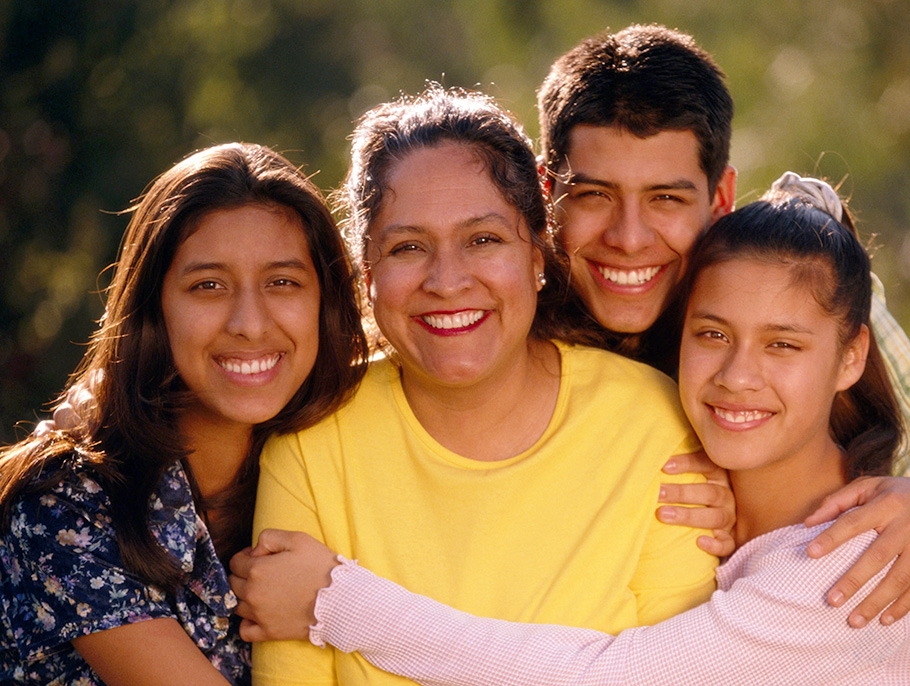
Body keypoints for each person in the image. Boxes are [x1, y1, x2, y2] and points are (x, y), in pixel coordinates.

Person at [245, 174, 910, 686]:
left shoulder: (849, 564)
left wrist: (333, 602)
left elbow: (606, 677)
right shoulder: (740, 528)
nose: (738, 376)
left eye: (783, 345)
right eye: (712, 334)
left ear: (851, 356)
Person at [536, 23, 910, 639]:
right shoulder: (510, 330)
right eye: (595, 195)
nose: (629, 238)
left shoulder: (808, 294)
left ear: (720, 199)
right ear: (548, 193)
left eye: (666, 199)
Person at [245, 86, 718, 686]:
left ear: (539, 255)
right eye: (408, 247)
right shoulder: (311, 447)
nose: (447, 281)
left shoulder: (654, 423)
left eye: (484, 240)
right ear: (367, 274)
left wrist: (343, 607)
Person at [0, 143, 368, 684]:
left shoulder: (339, 459)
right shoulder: (67, 503)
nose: (250, 323)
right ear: (155, 308)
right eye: (208, 286)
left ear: (325, 303)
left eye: (283, 282)